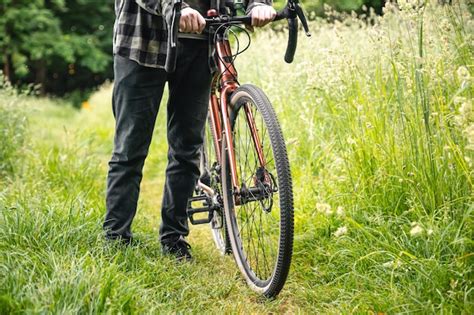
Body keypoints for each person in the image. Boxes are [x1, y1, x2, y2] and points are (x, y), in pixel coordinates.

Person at [103, 0, 276, 260]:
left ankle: (174, 239)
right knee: (130, 147)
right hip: (144, 38)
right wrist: (175, 7)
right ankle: (116, 238)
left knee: (187, 148)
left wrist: (259, 3)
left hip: (203, 40)